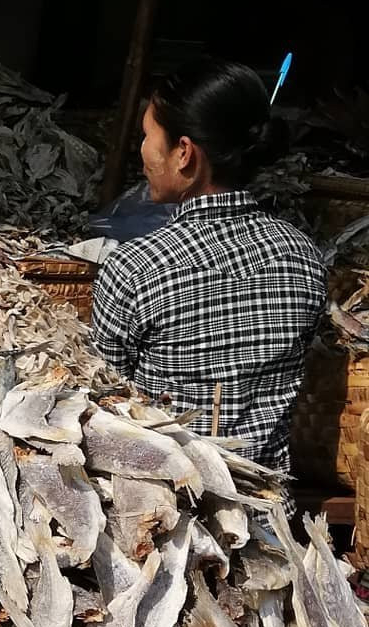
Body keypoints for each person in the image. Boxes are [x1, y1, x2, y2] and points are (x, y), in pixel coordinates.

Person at [91, 59, 326, 518]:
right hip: (268, 515)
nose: (143, 152)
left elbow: (106, 398)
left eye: (146, 136)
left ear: (184, 152)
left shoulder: (136, 267)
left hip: (169, 521)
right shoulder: (303, 256)